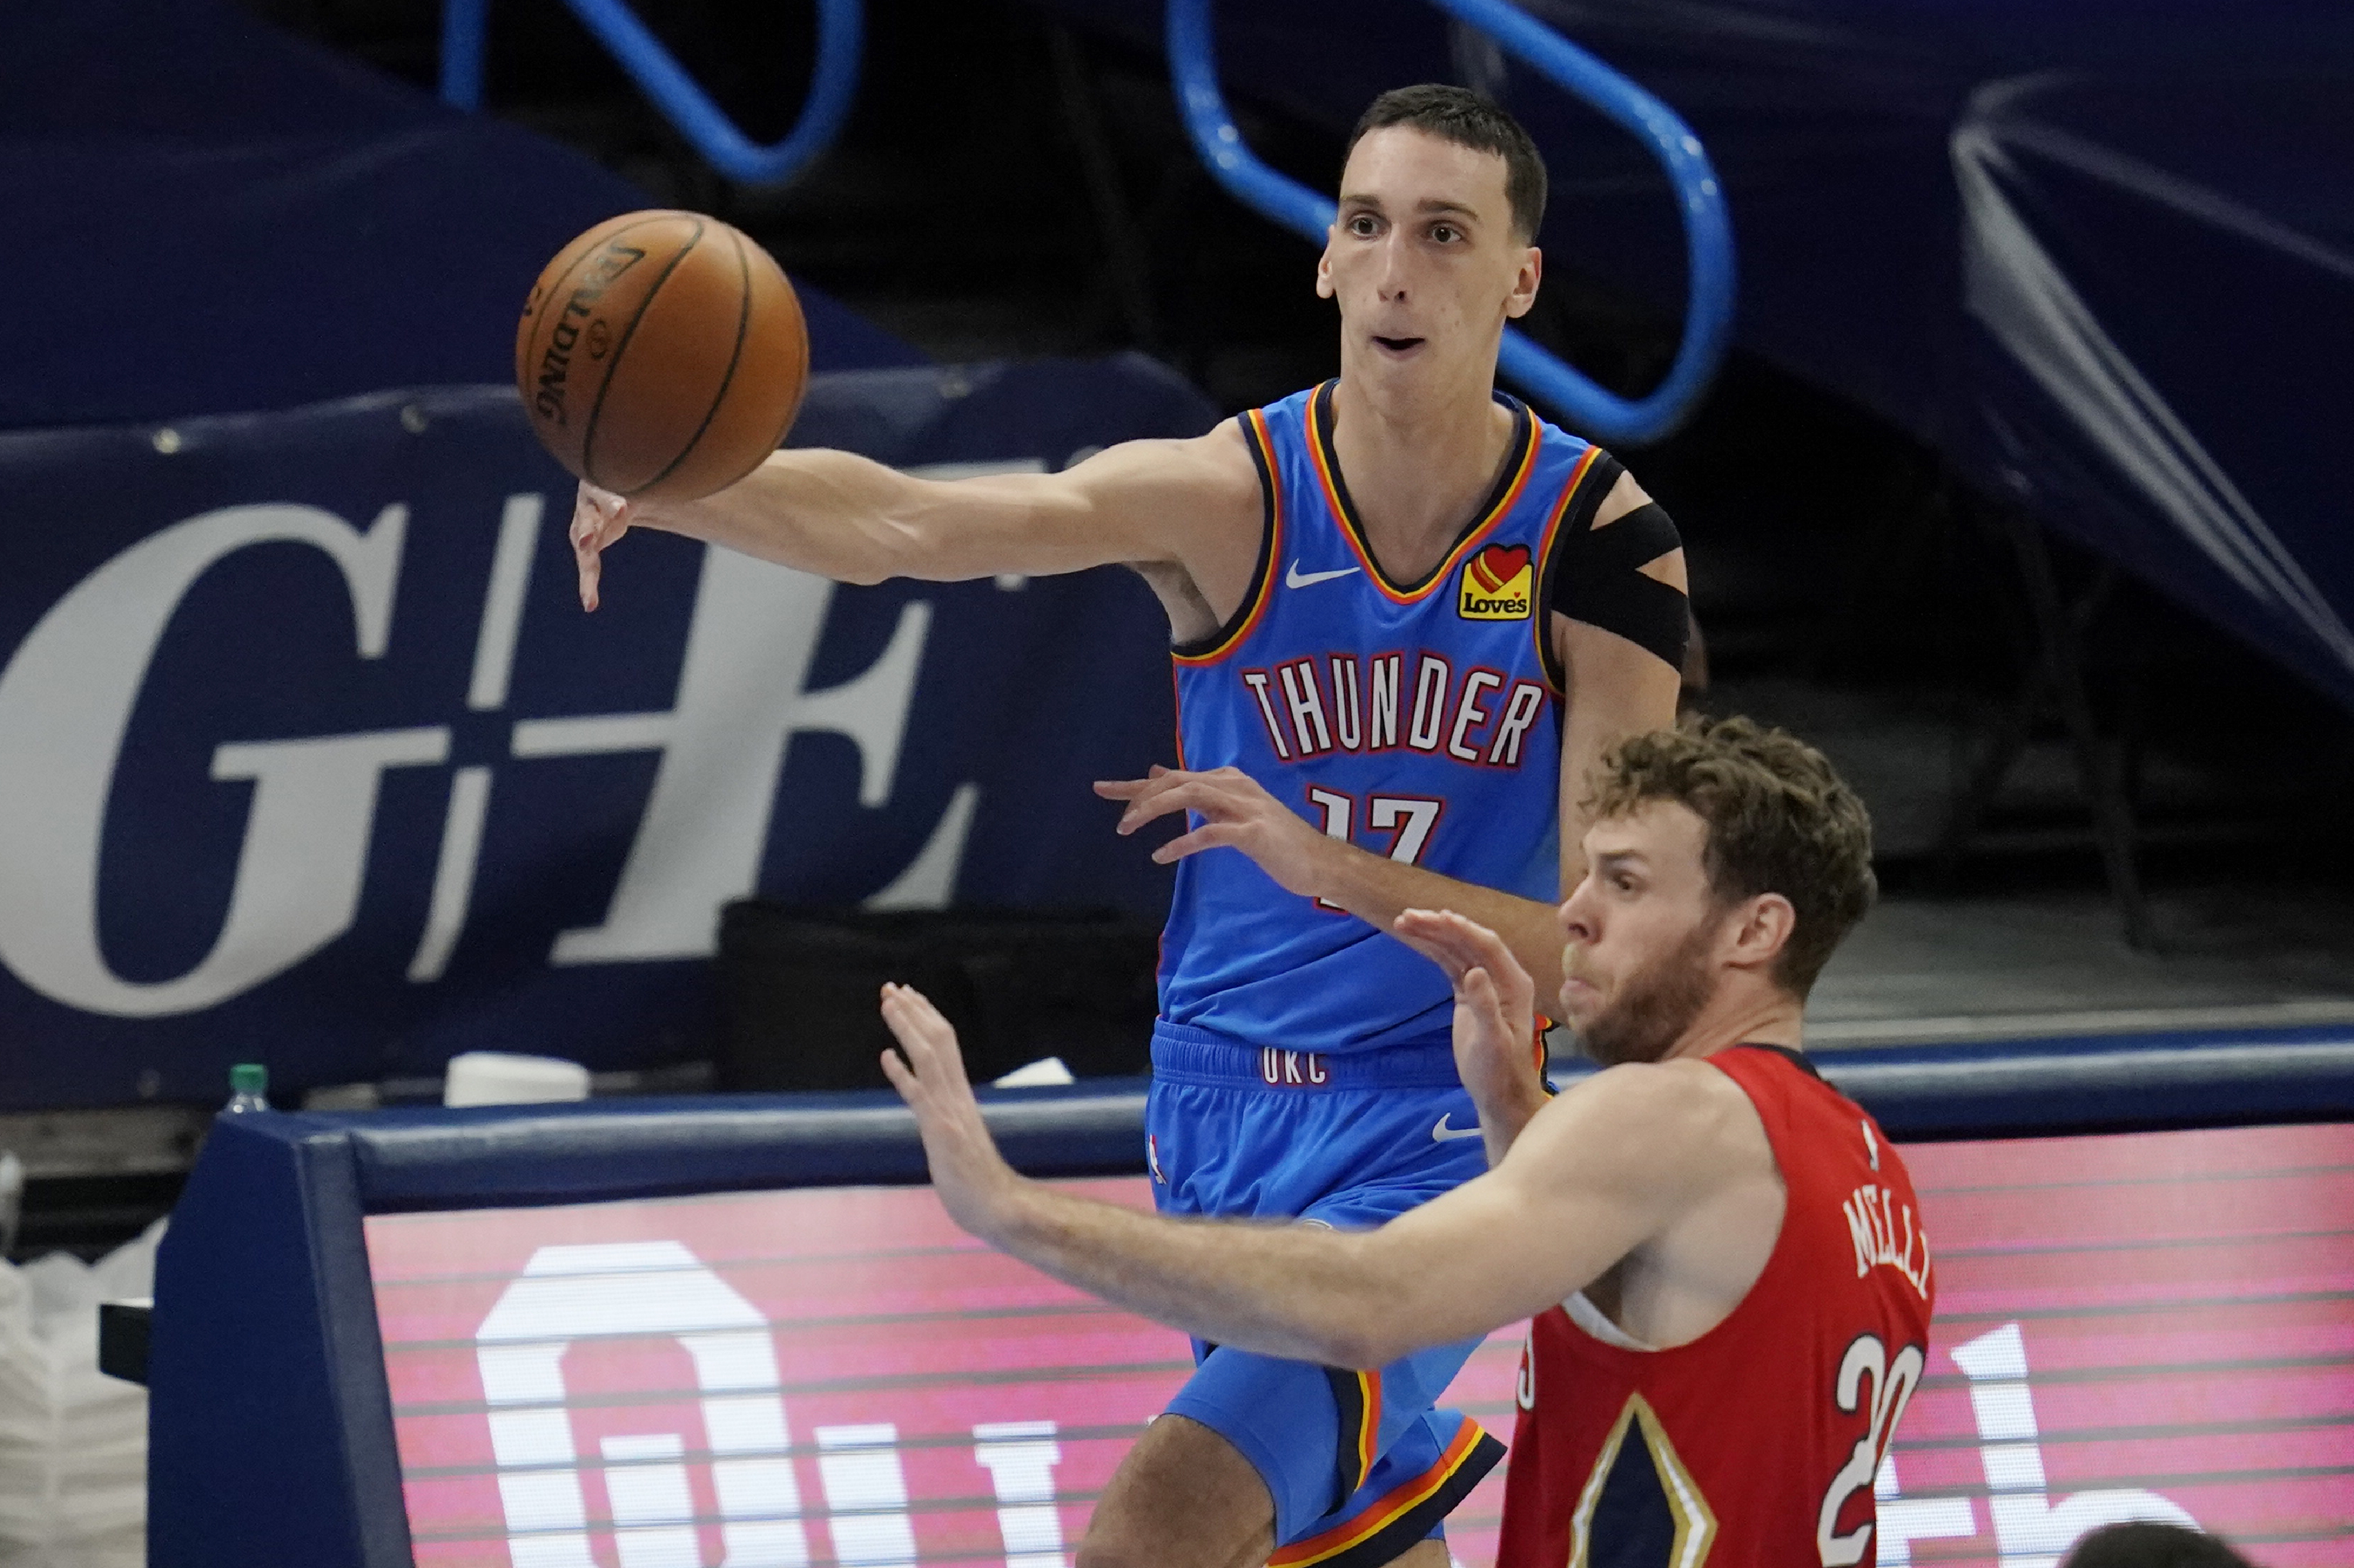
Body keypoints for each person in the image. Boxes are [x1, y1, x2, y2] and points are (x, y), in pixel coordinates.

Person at [572, 85, 1690, 1568]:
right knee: (1333, 1535)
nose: (1396, 270)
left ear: (1518, 278)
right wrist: (691, 479)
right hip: (1217, 1100)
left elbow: (1618, 961)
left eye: (1441, 233)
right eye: (1363, 227)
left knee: (1157, 1526)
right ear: (1324, 264)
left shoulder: (1595, 542)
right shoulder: (1227, 494)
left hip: (1444, 1120)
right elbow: (915, 525)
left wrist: (1331, 871)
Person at [879, 716, 1939, 1567]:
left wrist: (1009, 1207)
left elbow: (1367, 1303)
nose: (1572, 913)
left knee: (1166, 1513)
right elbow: (1669, 1316)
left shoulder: (1674, 1113)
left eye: (1623, 882)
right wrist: (1509, 1101)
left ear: (1754, 931)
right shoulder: (1861, 1160)